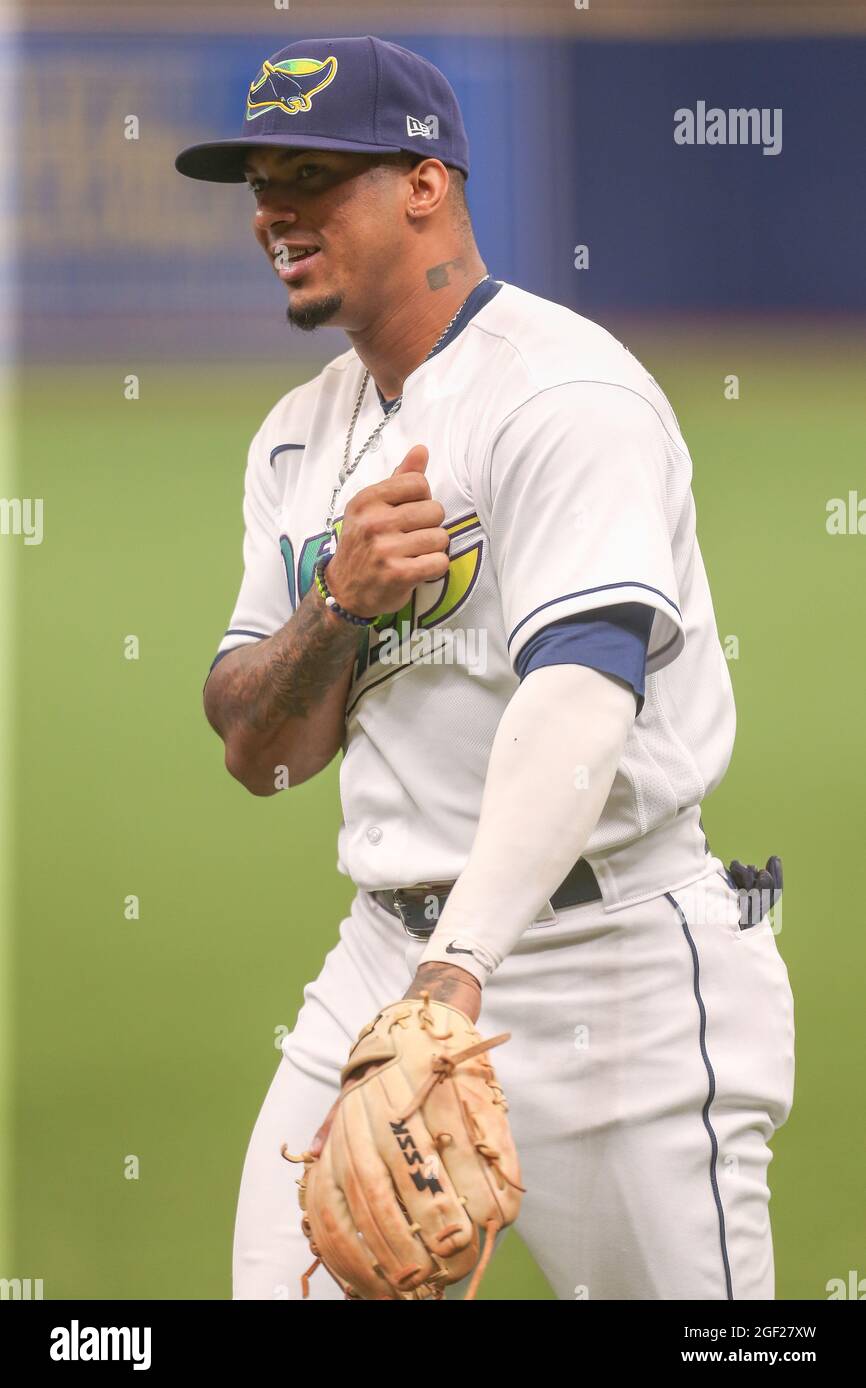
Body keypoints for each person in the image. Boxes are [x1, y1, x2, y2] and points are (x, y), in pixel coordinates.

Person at [176, 34, 795, 1300]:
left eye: (312, 173)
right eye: (259, 182)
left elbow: (580, 695)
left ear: (424, 182)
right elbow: (260, 749)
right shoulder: (296, 442)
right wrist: (336, 609)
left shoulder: (564, 393)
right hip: (379, 962)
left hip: (611, 968)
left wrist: (454, 979)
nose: (274, 212)